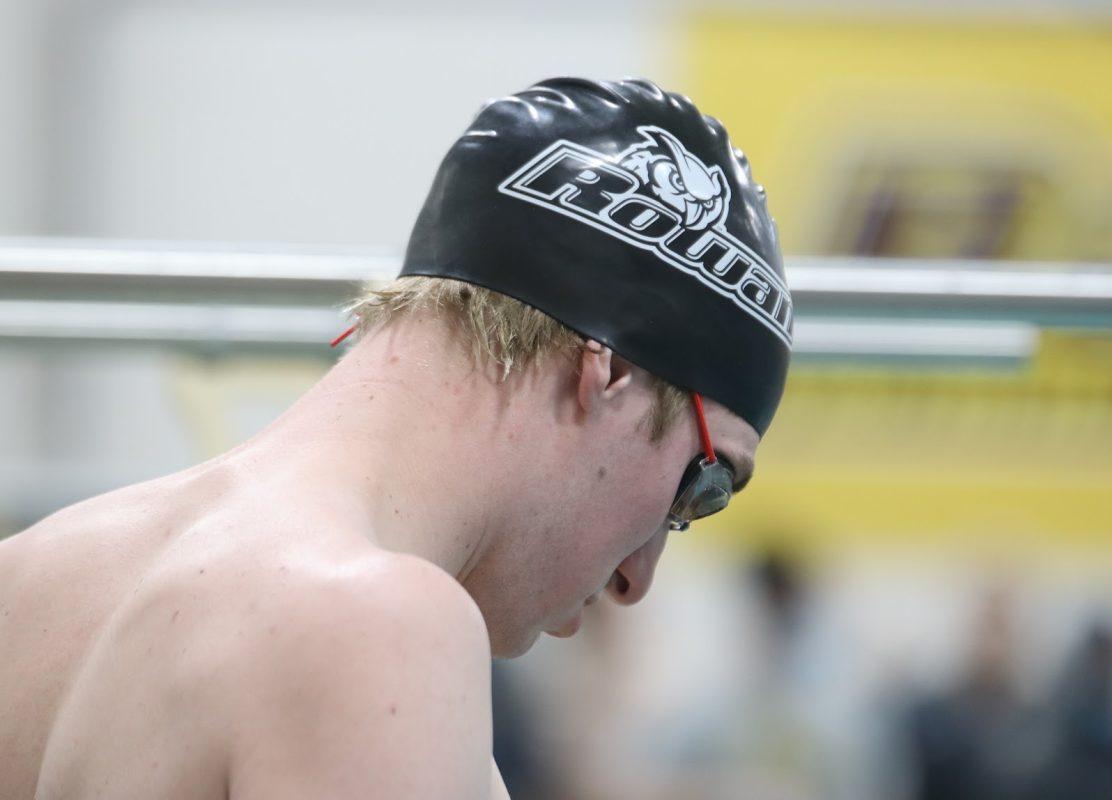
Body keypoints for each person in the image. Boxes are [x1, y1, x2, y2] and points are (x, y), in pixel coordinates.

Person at [0, 77, 791, 798]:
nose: (639, 579)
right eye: (703, 483)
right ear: (607, 372)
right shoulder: (379, 629)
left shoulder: (35, 576)